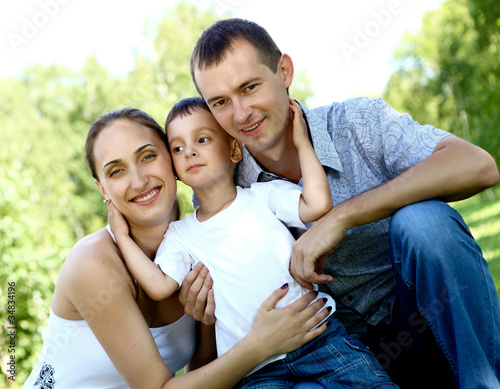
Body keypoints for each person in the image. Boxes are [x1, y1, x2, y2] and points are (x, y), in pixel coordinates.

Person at [186, 18, 500, 388]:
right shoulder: (222, 187)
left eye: (250, 87)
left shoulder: (356, 123)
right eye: (220, 102)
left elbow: (477, 166)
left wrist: (341, 217)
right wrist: (204, 315)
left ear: (284, 71)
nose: (240, 114)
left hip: (425, 318)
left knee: (424, 222)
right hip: (340, 360)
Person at [22, 107, 333, 389]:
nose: (139, 180)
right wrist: (259, 345)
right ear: (103, 189)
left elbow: (204, 372)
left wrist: (207, 324)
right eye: (116, 171)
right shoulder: (92, 264)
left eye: (147, 156)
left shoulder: (193, 244)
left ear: (172, 160)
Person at [107, 97, 398, 388]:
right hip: (254, 369)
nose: (190, 152)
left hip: (316, 336)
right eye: (178, 148)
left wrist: (302, 143)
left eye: (202, 139)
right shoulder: (181, 235)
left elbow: (318, 203)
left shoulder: (262, 196)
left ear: (235, 149)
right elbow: (158, 286)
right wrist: (121, 237)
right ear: (174, 168)